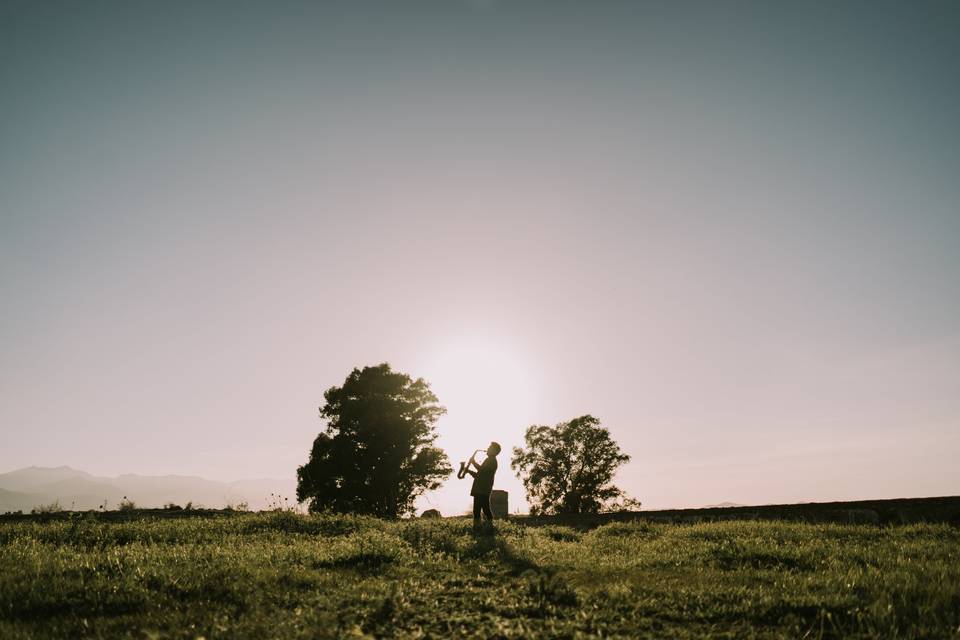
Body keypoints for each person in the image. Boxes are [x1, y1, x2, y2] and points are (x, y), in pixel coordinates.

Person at [464, 441, 500, 531]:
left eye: (490, 448)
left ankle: (480, 528)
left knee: (480, 510)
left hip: (482, 489)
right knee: (483, 509)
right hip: (481, 488)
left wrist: (473, 462)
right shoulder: (489, 460)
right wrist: (468, 471)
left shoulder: (492, 461)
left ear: (495, 451)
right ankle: (487, 527)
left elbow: (482, 471)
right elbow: (480, 474)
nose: (487, 449)